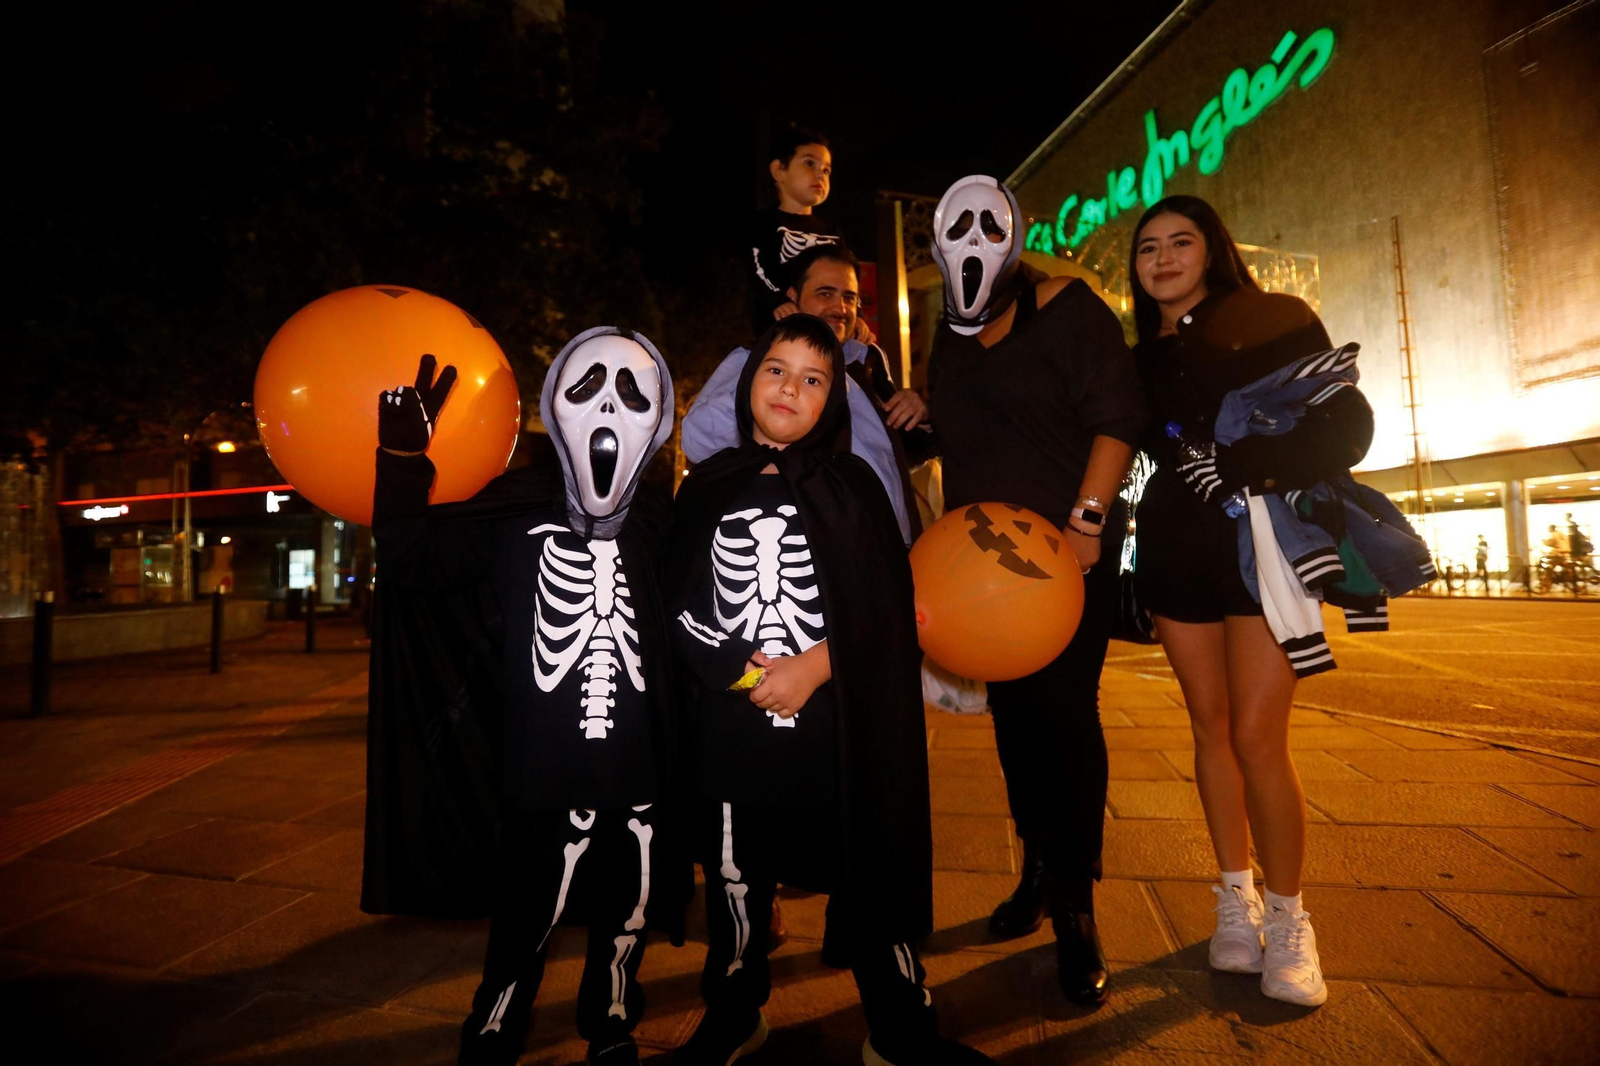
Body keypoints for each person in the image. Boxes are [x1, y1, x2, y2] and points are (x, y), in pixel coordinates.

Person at [668, 315, 993, 1065]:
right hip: (733, 732)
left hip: (836, 733)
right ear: (749, 380)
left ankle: (899, 1021)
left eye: (814, 379)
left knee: (868, 868)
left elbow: (887, 605)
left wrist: (813, 666)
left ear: (832, 402)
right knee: (734, 882)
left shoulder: (854, 486)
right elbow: (677, 602)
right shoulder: (707, 487)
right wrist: (750, 675)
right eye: (777, 370)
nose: (791, 388)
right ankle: (734, 1010)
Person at [363, 332, 689, 1066]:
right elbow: (412, 564)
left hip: (639, 763)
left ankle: (609, 1013)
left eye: (636, 393)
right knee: (527, 905)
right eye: (588, 387)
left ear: (661, 419)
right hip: (542, 761)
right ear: (551, 409)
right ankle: (498, 1014)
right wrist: (404, 461)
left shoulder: (660, 524)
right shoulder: (510, 517)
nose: (610, 402)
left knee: (629, 905)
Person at [1129, 194, 1376, 1008]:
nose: (1162, 258)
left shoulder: (1271, 317)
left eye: (1180, 242)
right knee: (1207, 727)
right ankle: (1234, 900)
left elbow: (1347, 421)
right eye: (1148, 247)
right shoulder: (1139, 356)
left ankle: (1290, 917)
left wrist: (1250, 468)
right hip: (1173, 549)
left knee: (1257, 733)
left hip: (1257, 546)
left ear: (1213, 250)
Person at [926, 175, 1148, 1008]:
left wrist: (1089, 519)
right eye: (960, 225)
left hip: (1064, 558)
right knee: (1016, 723)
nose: (977, 237)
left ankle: (1077, 910)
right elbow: (957, 426)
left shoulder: (1065, 307)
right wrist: (916, 405)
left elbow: (1118, 416)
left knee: (1063, 713)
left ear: (1016, 233)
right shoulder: (950, 335)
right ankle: (1039, 873)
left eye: (993, 222)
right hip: (982, 577)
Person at [686, 242, 934, 543]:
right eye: (825, 293)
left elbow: (896, 456)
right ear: (793, 297)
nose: (840, 308)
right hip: (814, 549)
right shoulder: (756, 358)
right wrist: (777, 365)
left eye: (849, 298)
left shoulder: (866, 363)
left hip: (893, 550)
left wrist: (920, 412)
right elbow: (698, 438)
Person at [747, 123, 869, 342]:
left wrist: (857, 315)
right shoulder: (763, 224)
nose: (819, 175)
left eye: (826, 170)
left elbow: (847, 279)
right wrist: (776, 301)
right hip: (780, 330)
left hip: (826, 335)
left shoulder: (832, 233)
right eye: (809, 164)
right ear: (779, 170)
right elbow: (757, 270)